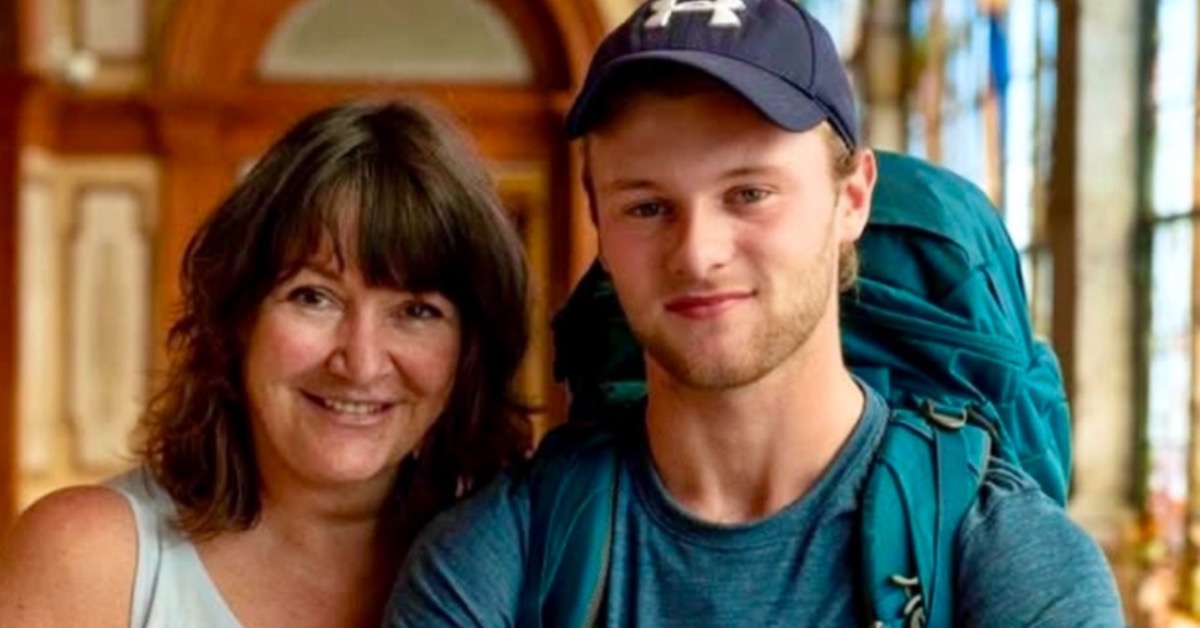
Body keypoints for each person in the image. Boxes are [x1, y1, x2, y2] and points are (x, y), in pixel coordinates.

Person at [386, 0, 1125, 626]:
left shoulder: (1001, 557)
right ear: (599, 224)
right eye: (647, 206)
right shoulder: (503, 557)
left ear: (852, 199)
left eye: (749, 194)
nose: (698, 253)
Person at [0, 99, 532, 627]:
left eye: (416, 310)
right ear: (237, 318)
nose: (361, 363)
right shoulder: (91, 558)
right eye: (314, 297)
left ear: (469, 351)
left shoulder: (528, 565)